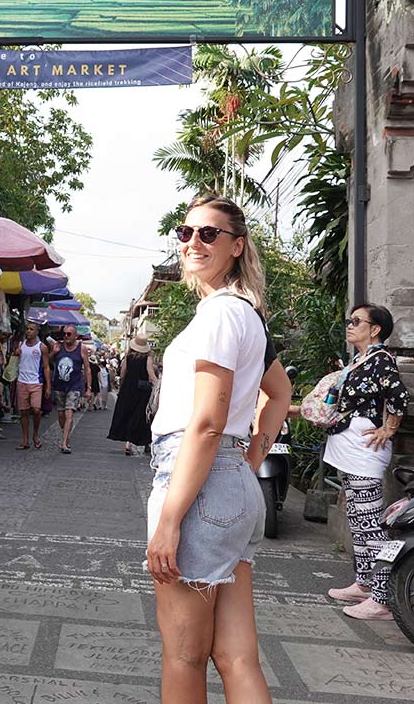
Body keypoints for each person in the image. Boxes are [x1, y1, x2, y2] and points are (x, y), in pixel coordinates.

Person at [146, 195, 273, 704]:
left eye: (209, 234)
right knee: (236, 657)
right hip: (230, 483)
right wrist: (249, 460)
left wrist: (171, 519)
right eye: (185, 232)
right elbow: (276, 394)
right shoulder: (246, 314)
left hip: (197, 482)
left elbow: (205, 423)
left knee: (183, 656)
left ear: (237, 246)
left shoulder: (221, 314)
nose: (193, 242)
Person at [324, 303, 409, 621]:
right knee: (358, 520)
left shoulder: (382, 360)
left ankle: (383, 598)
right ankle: (364, 583)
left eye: (357, 321)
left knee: (371, 524)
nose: (350, 325)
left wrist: (389, 428)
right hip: (348, 446)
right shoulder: (361, 359)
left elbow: (399, 396)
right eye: (349, 319)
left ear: (375, 329)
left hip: (363, 450)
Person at [107, 335, 157, 456]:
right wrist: (158, 384)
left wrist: (122, 386)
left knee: (127, 414)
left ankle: (128, 444)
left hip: (128, 389)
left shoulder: (128, 358)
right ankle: (146, 443)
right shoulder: (147, 358)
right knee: (142, 416)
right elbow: (151, 374)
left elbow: (122, 373)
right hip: (142, 391)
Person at [51, 325, 91, 454]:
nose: (66, 336)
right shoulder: (58, 346)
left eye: (69, 334)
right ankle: (66, 434)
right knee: (61, 414)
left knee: (69, 413)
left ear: (75, 336)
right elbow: (47, 361)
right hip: (59, 385)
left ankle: (64, 443)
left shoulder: (82, 349)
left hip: (74, 386)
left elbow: (87, 368)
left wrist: (88, 388)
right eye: (65, 334)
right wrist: (54, 352)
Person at [14, 322, 50, 450]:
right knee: (23, 412)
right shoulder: (21, 345)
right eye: (27, 329)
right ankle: (25, 440)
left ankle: (35, 434)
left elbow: (46, 367)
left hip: (36, 382)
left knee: (36, 410)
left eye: (31, 329)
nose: (28, 331)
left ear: (37, 332)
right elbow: (15, 356)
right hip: (22, 382)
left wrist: (48, 386)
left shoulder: (42, 347)